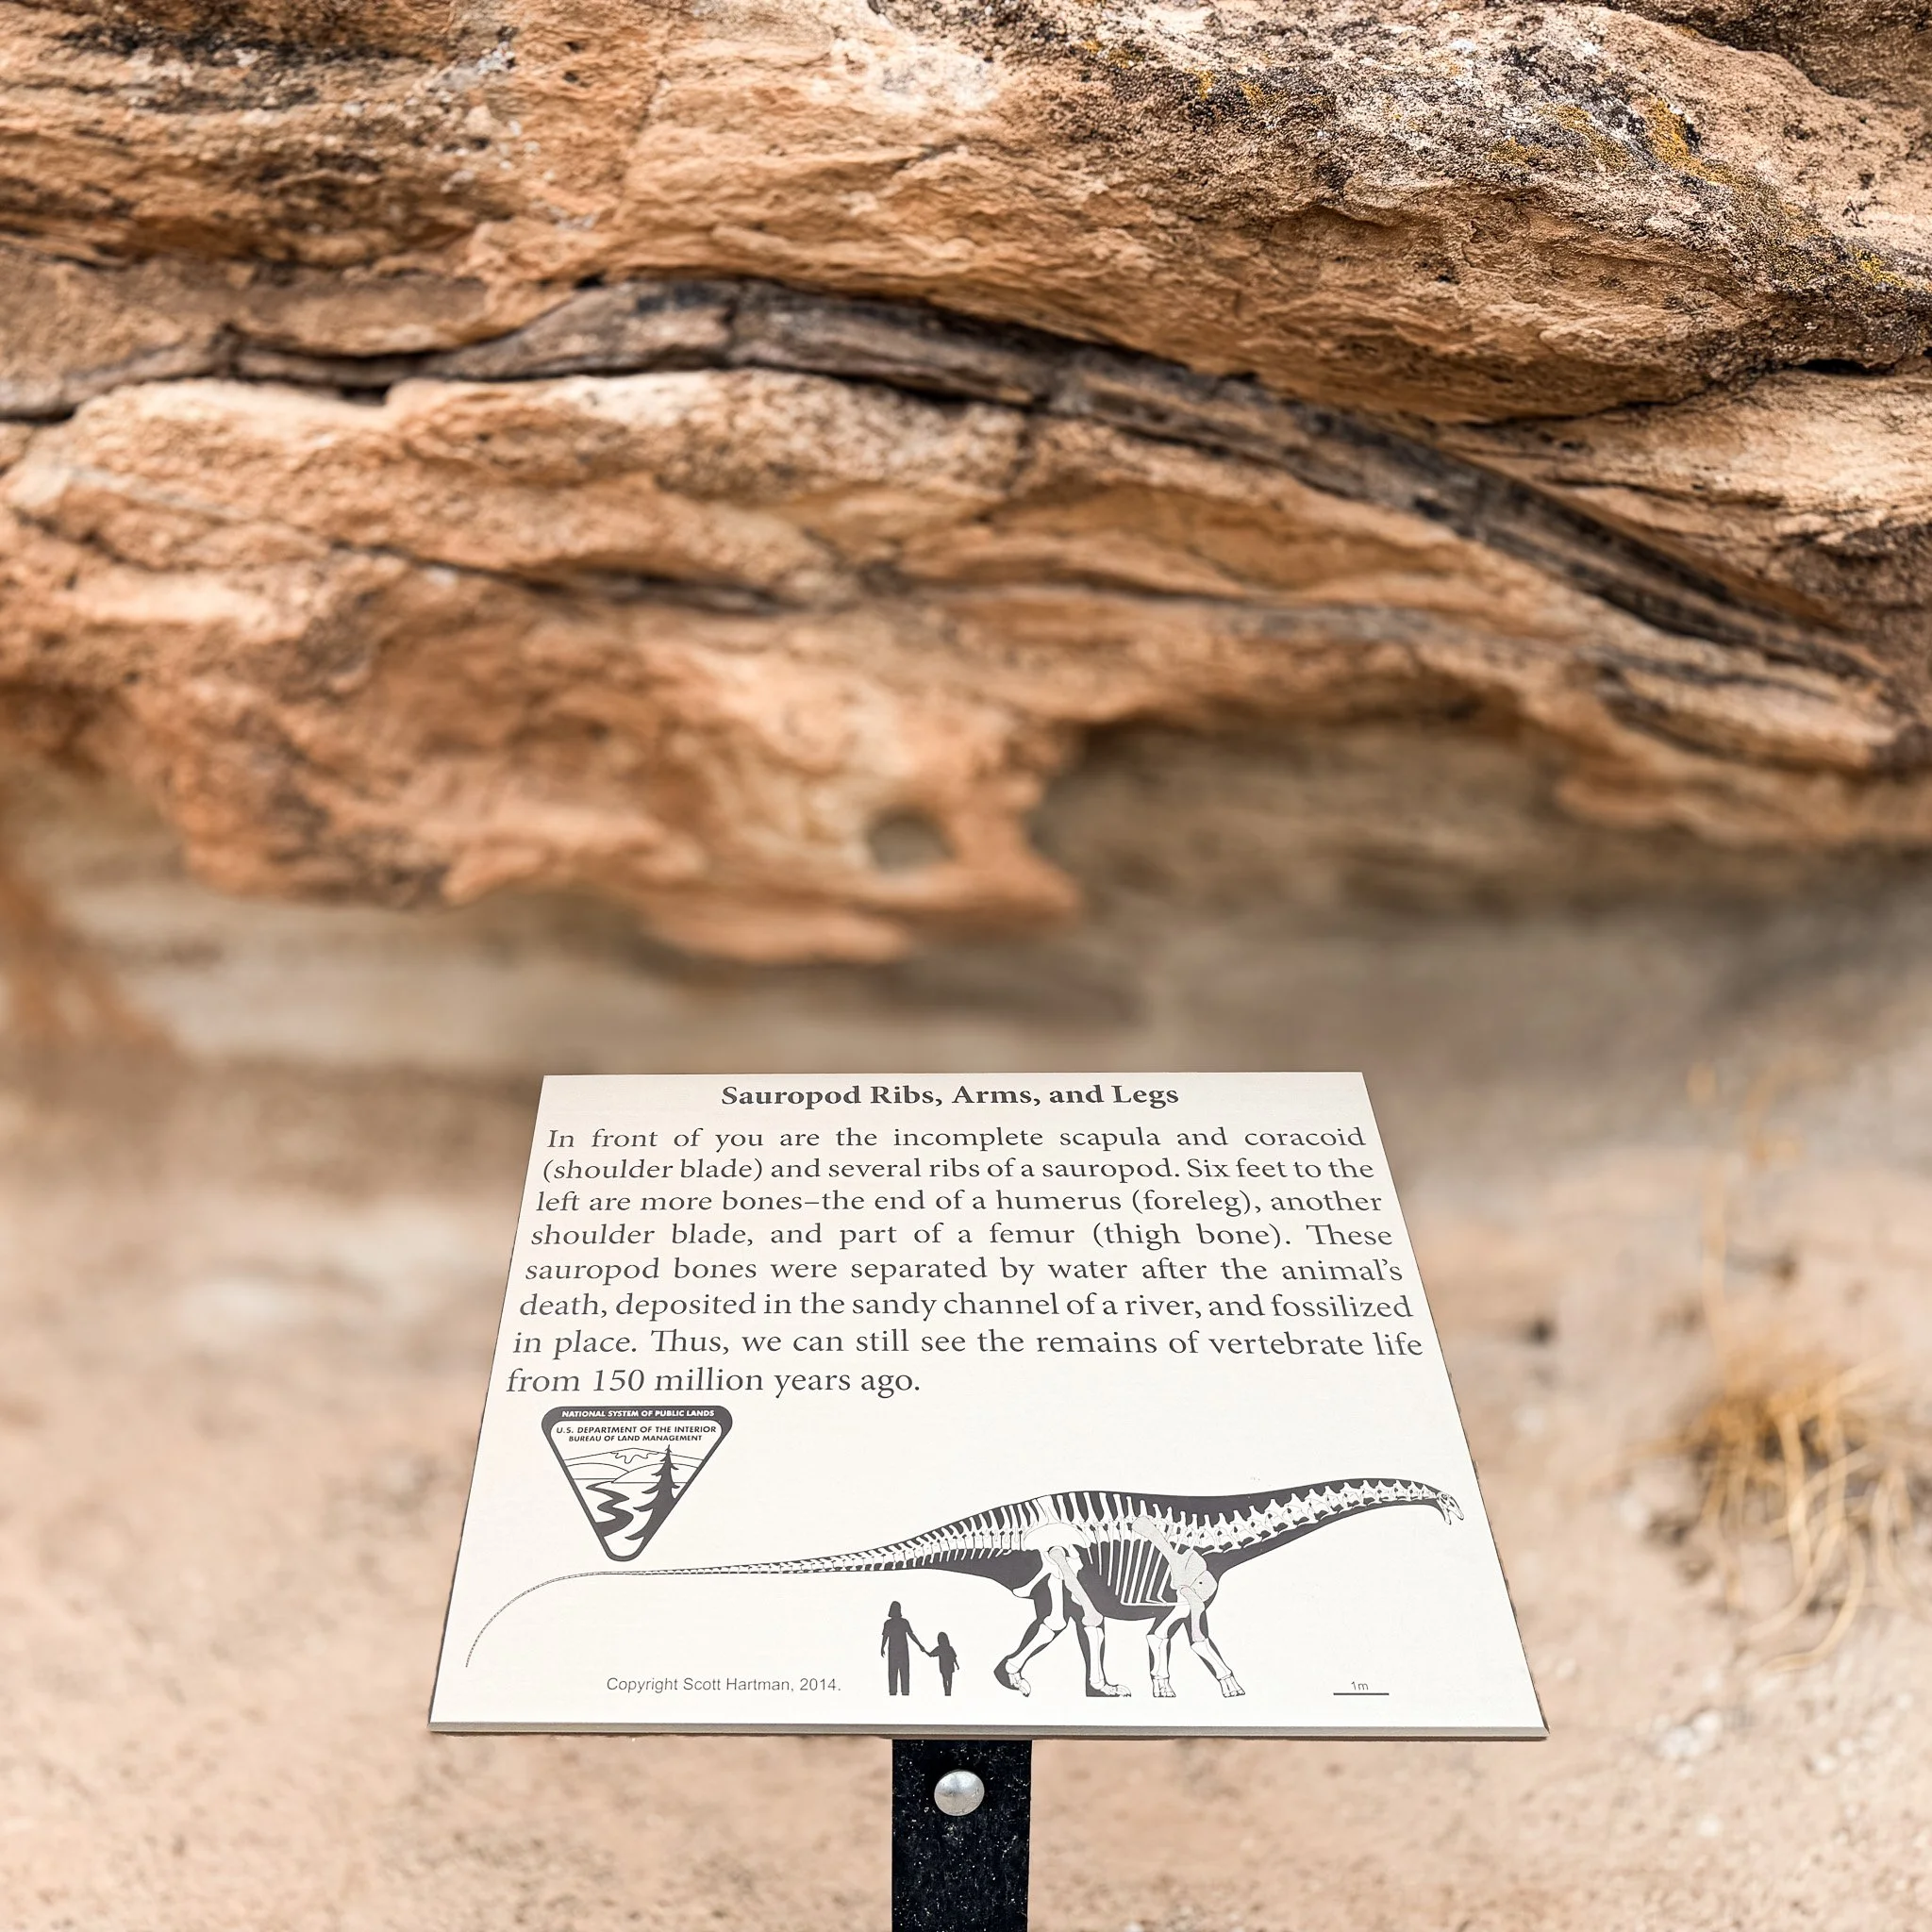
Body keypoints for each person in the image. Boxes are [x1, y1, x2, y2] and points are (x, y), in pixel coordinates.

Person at [880, 1600, 925, 1695]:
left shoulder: (895, 1623)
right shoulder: (895, 1623)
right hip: (898, 1651)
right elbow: (886, 1636)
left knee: (898, 1673)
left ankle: (900, 1693)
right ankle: (897, 1693)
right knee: (898, 1673)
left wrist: (919, 1645)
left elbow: (910, 1634)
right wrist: (882, 1647)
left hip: (898, 1651)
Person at [931, 1631, 959, 1696]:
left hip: (944, 1667)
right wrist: (957, 1665)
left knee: (945, 1679)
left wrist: (925, 1651)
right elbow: (954, 1658)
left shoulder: (940, 1648)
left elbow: (931, 1654)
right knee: (949, 1680)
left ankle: (947, 1692)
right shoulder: (949, 1648)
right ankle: (948, 1692)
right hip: (949, 1667)